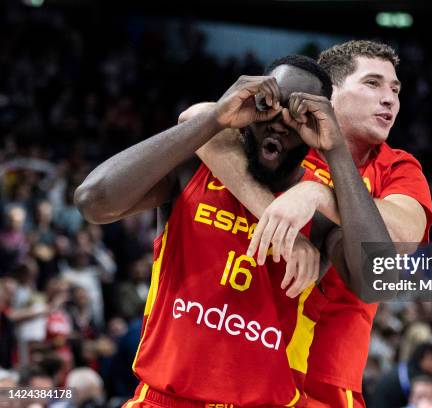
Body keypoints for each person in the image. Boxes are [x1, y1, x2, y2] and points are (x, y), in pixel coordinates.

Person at [75, 55, 397, 407]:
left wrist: (335, 149)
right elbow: (94, 201)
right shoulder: (195, 167)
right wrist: (217, 117)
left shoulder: (320, 212)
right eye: (270, 104)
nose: (278, 123)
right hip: (163, 398)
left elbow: (377, 279)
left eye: (295, 114)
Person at [181, 40, 432, 407]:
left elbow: (404, 237)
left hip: (328, 384)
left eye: (395, 89)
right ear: (328, 95)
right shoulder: (287, 140)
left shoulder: (397, 167)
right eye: (373, 84)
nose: (389, 98)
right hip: (246, 368)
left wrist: (319, 196)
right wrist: (272, 211)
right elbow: (199, 118)